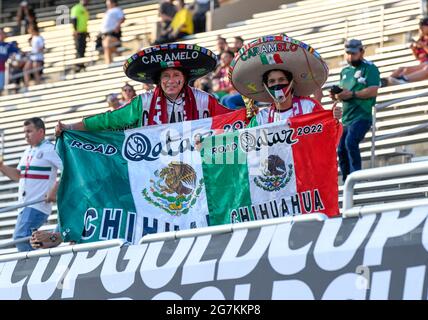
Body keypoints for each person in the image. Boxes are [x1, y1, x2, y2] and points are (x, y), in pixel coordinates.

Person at [55, 43, 232, 133]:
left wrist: (251, 116)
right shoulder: (144, 102)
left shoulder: (202, 99)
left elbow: (230, 118)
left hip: (197, 169)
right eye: (166, 76)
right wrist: (70, 127)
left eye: (176, 75)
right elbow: (109, 120)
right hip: (153, 171)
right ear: (158, 80)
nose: (171, 80)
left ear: (185, 79)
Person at [228, 34, 342, 126]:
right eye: (272, 81)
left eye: (281, 79)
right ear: (265, 86)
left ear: (291, 82)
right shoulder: (262, 118)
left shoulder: (309, 106)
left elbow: (328, 134)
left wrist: (334, 120)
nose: (277, 84)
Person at [0, 118, 62, 252]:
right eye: (24, 132)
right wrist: (1, 166)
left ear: (41, 131)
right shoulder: (27, 151)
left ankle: (37, 267)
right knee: (31, 240)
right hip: (25, 205)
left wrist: (54, 190)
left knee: (21, 237)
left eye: (29, 131)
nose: (26, 135)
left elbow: (68, 169)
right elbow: (18, 176)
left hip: (37, 204)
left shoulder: (50, 149)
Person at [330, 39, 380, 182]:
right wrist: (336, 95)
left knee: (350, 142)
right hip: (346, 118)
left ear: (362, 52)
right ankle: (347, 181)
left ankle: (356, 179)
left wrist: (352, 94)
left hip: (362, 115)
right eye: (348, 53)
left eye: (353, 53)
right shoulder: (344, 71)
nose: (350, 57)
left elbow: (373, 91)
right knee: (340, 150)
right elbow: (341, 95)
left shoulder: (370, 68)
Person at [387, 17, 428, 85]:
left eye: (423, 26)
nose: (421, 29)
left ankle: (404, 79)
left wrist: (424, 46)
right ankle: (384, 82)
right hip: (423, 64)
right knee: (402, 69)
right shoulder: (422, 39)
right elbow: (419, 57)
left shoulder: (423, 41)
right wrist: (414, 50)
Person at [101, 0, 125, 65]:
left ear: (113, 3)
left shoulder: (117, 10)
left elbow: (122, 18)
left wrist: (117, 26)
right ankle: (109, 62)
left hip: (112, 33)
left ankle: (109, 63)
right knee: (107, 48)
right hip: (105, 34)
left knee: (107, 45)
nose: (107, 4)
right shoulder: (108, 11)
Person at [23, 23, 44, 90]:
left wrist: (35, 52)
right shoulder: (33, 38)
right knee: (26, 69)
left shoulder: (39, 38)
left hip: (38, 57)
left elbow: (41, 48)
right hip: (32, 57)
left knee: (36, 71)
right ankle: (27, 85)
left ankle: (38, 83)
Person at [71, 0, 90, 72]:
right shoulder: (76, 8)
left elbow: (84, 22)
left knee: (83, 49)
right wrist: (75, 30)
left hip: (83, 32)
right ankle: (78, 66)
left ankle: (81, 64)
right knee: (79, 49)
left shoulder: (84, 9)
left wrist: (86, 32)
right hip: (78, 33)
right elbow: (74, 19)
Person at [0, 29, 19, 94]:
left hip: (4, 68)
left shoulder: (9, 45)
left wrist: (13, 57)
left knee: (1, 86)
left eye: (2, 33)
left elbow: (16, 54)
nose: (1, 35)